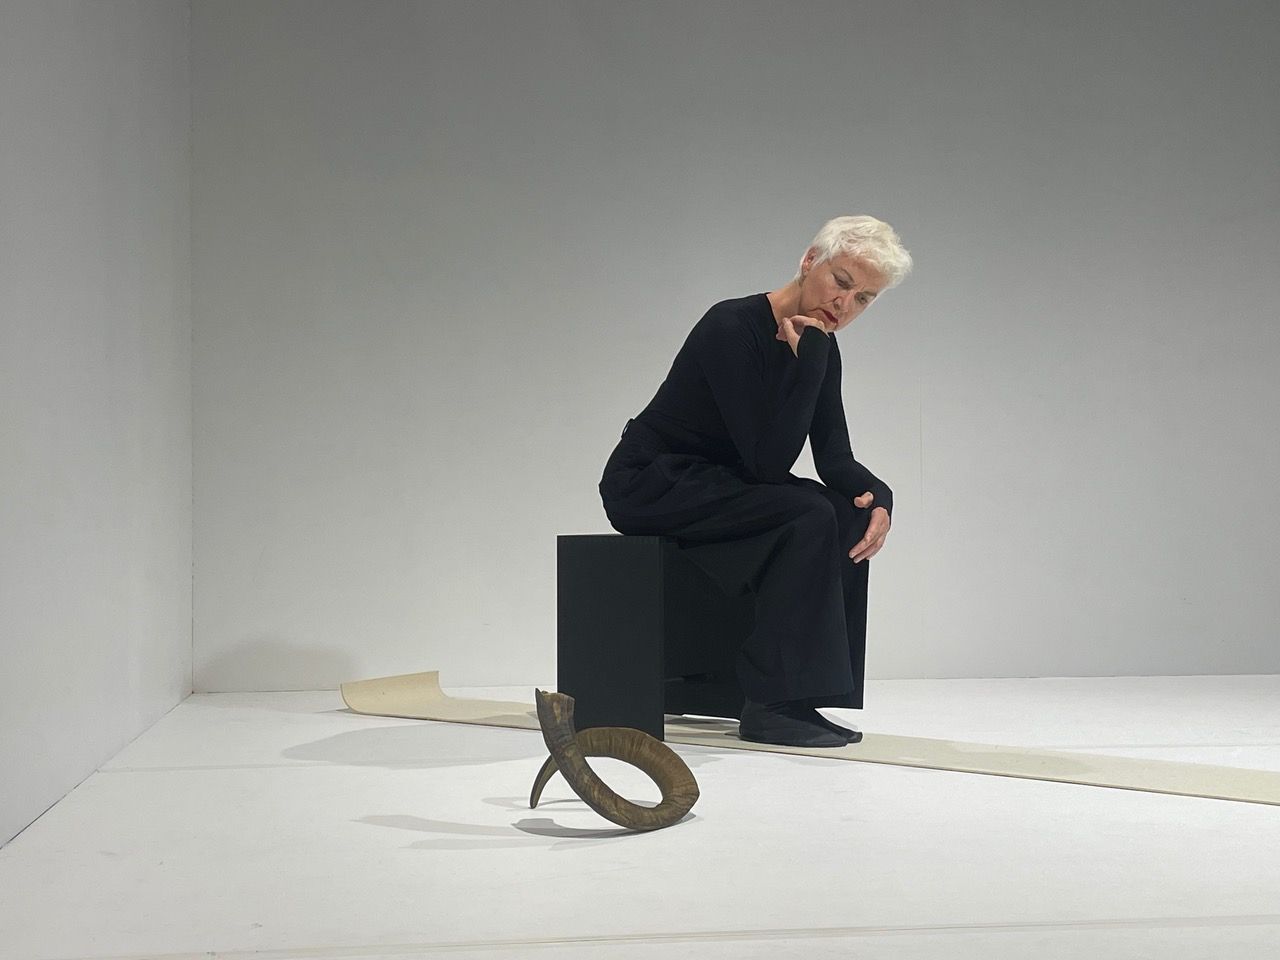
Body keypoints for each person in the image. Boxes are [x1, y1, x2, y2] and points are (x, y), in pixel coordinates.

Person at [598, 215, 912, 748]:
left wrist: (880, 498)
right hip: (652, 480)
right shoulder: (731, 326)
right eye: (841, 282)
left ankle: (799, 696)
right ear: (810, 260)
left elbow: (834, 458)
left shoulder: (821, 347)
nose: (844, 305)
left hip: (721, 483)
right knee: (808, 512)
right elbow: (767, 464)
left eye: (863, 300)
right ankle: (771, 705)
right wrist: (807, 362)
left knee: (845, 513)